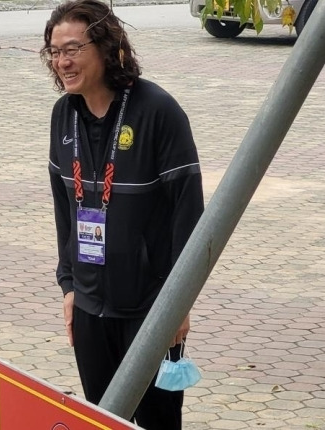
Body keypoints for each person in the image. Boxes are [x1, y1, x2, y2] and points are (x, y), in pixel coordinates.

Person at [42, 1, 204, 429]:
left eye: (73, 48)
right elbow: (66, 211)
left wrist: (178, 303)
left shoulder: (157, 111)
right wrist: (69, 285)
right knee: (103, 418)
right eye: (55, 51)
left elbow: (189, 215)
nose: (62, 61)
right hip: (89, 305)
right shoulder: (63, 115)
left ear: (107, 46)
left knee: (156, 421)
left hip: (150, 308)